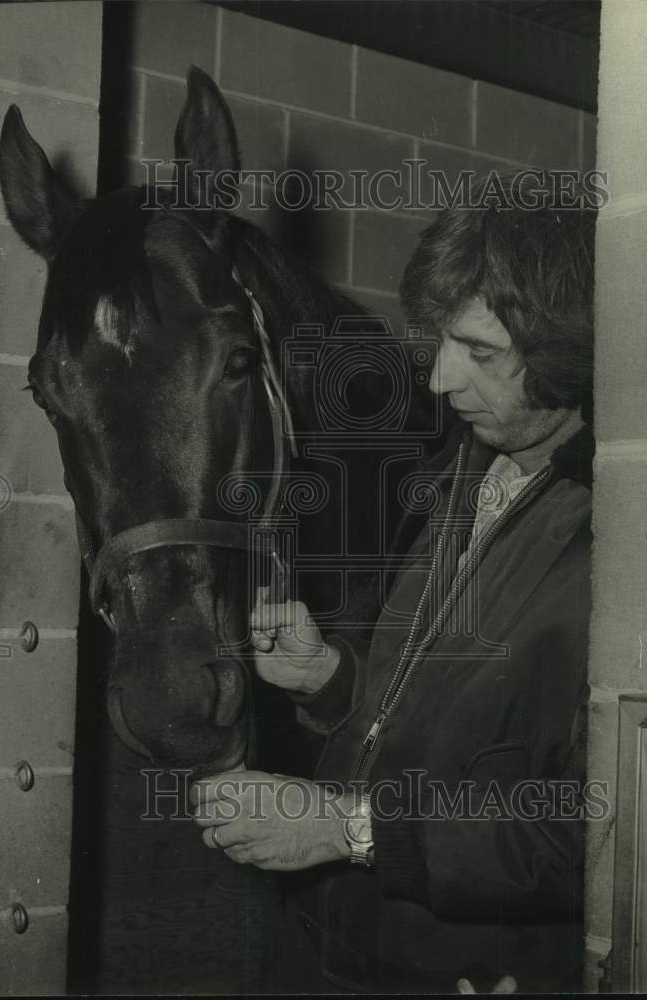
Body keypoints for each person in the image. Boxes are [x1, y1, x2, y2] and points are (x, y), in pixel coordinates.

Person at [191, 175, 596, 994]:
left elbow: (594, 836)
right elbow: (435, 710)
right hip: (341, 944)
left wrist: (350, 830)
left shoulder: (616, 544)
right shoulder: (466, 472)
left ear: (565, 351)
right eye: (441, 342)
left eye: (479, 353)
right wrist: (333, 680)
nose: (441, 380)